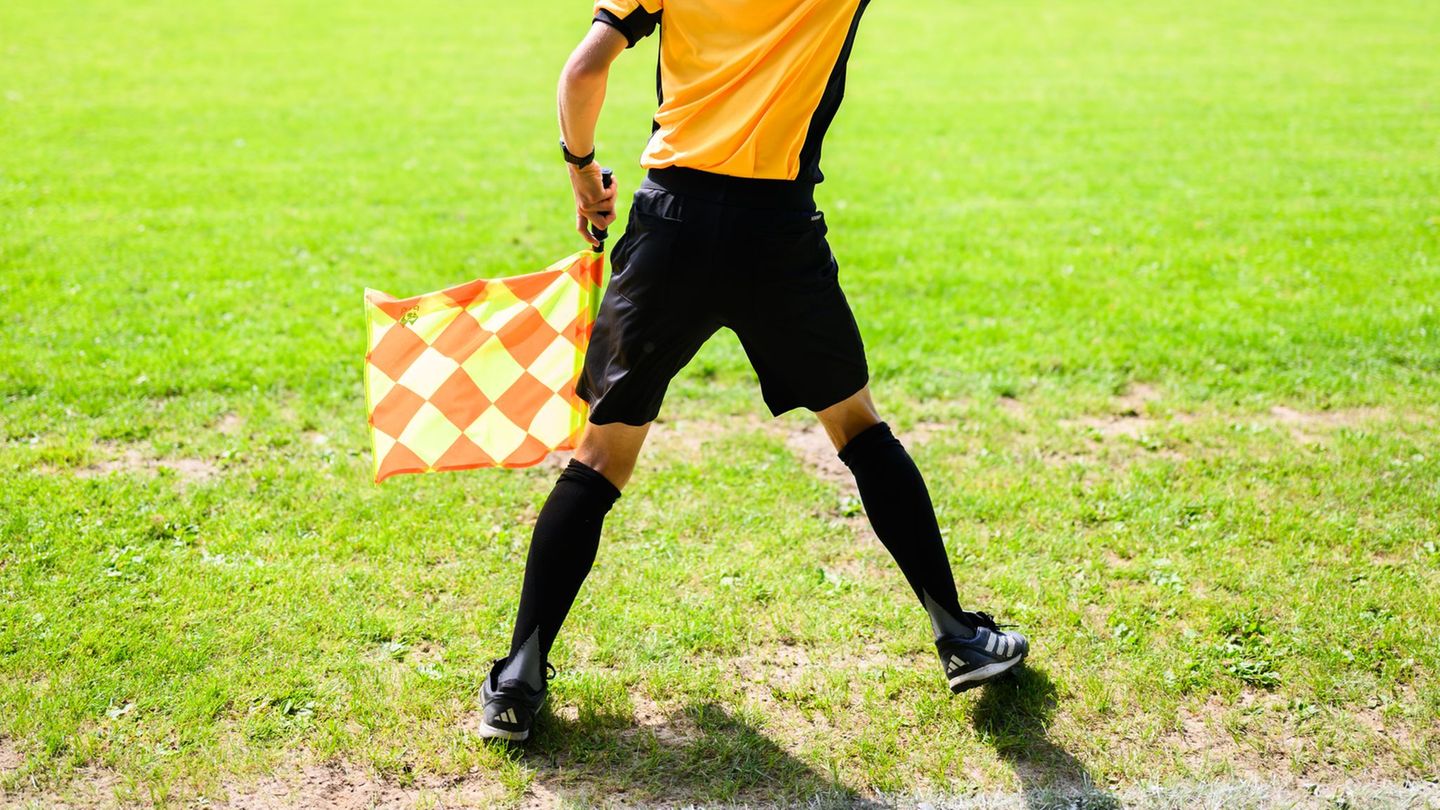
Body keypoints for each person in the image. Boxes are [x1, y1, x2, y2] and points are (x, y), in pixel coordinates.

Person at [478, 0, 1029, 742]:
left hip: (670, 223)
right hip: (777, 234)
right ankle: (959, 636)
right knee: (858, 429)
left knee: (602, 457)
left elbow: (584, 70)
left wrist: (582, 170)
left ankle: (519, 677)